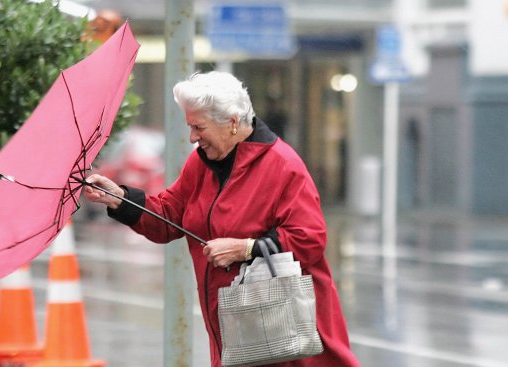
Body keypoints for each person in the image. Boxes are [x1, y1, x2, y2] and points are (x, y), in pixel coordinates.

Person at [84, 71, 361, 366]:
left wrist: (246, 248)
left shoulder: (283, 165)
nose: (192, 137)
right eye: (190, 126)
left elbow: (310, 237)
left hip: (286, 331)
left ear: (231, 122)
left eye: (198, 127)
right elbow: (169, 213)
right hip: (237, 331)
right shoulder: (201, 164)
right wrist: (120, 199)